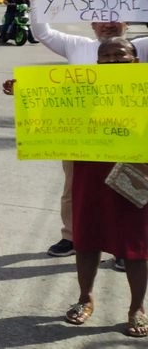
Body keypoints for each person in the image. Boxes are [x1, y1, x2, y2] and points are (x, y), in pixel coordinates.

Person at [27, 0, 148, 258]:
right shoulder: (76, 46)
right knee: (74, 188)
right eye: (101, 19)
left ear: (128, 22)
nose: (108, 23)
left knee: (130, 187)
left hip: (128, 134)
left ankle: (126, 247)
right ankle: (71, 236)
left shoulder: (140, 47)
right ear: (91, 24)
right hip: (82, 134)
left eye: (115, 18)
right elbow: (42, 32)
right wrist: (37, 0)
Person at [54, 37, 148, 337]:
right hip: (90, 170)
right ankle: (85, 297)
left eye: (119, 54)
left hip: (135, 170)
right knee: (87, 237)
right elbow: (51, 107)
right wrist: (22, 90)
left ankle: (137, 307)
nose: (112, 60)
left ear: (134, 59)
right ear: (97, 62)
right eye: (105, 55)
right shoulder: (84, 89)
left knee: (136, 245)